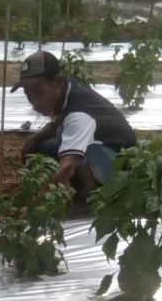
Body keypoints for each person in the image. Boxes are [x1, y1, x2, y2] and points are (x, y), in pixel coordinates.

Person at [12, 51, 137, 200]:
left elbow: (67, 165)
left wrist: (37, 201)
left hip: (119, 167)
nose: (34, 101)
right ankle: (91, 187)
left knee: (65, 138)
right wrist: (34, 138)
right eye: (28, 94)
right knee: (44, 145)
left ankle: (88, 197)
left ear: (57, 81)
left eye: (38, 92)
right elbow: (55, 124)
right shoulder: (67, 88)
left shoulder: (78, 112)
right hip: (105, 150)